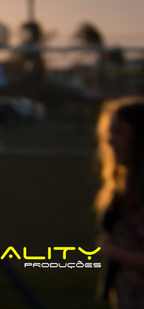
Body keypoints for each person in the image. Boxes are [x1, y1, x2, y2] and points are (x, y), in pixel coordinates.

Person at [97, 97, 144, 308]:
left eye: (120, 133)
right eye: (109, 133)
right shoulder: (124, 188)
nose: (109, 141)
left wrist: (114, 252)